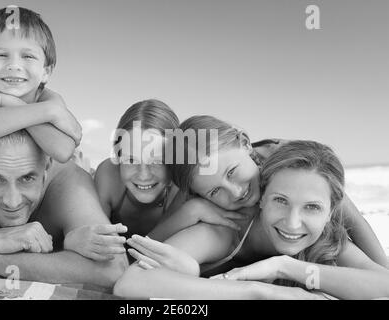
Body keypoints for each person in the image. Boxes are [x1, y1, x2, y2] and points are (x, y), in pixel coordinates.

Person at [114, 140, 389, 299]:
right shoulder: (223, 231)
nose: (293, 223)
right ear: (262, 195)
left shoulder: (323, 236)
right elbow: (131, 282)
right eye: (280, 201)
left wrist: (286, 267)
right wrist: (256, 291)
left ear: (330, 212)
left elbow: (383, 281)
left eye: (312, 207)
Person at [151, 115, 388, 267]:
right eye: (215, 192)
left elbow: (350, 216)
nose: (235, 192)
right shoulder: (195, 184)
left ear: (245, 143)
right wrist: (190, 211)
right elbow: (148, 244)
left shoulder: (282, 160)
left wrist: (383, 269)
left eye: (232, 172)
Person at [0, 130, 128, 289]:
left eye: (27, 178)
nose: (12, 202)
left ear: (46, 166)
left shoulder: (69, 182)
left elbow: (112, 269)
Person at [0, 6, 82, 163]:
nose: (14, 65)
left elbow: (63, 151)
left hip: (45, 179)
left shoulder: (49, 99)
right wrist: (47, 112)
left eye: (28, 56)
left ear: (46, 71)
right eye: (1, 55)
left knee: (77, 181)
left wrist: (6, 102)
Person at [93, 100, 201, 260]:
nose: (143, 175)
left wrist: (192, 210)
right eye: (131, 160)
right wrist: (189, 214)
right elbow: (99, 245)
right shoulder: (109, 175)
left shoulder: (181, 187)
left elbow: (164, 254)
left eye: (157, 162)